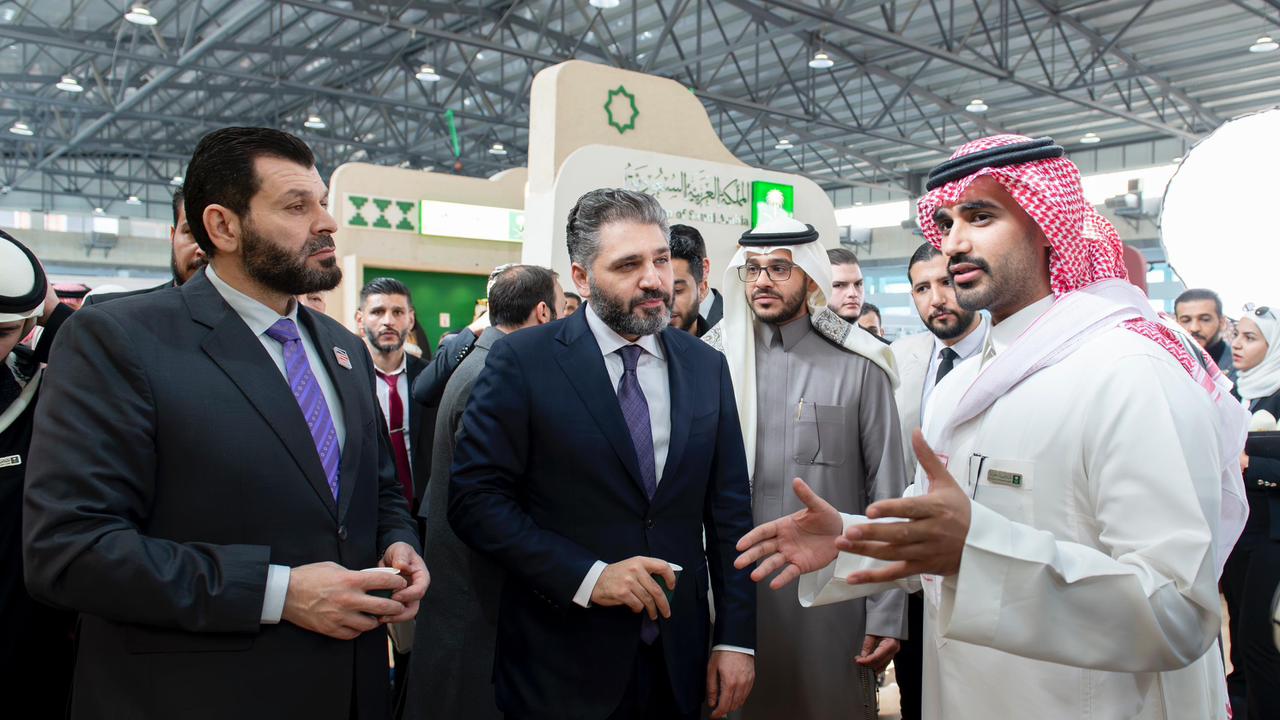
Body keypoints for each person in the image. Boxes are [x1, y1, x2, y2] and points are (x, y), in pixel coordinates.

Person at [735, 134, 1250, 720]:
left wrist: (973, 557)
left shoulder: (1129, 373)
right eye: (947, 222)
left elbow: (1178, 610)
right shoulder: (961, 386)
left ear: (1048, 225)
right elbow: (938, 530)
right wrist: (849, 539)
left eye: (980, 217)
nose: (953, 242)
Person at [23, 126, 427, 720]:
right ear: (223, 226)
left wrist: (398, 541)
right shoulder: (121, 340)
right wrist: (278, 593)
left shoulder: (342, 348)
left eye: (321, 202)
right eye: (296, 206)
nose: (327, 223)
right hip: (199, 692)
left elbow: (377, 487)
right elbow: (70, 550)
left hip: (349, 688)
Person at [449, 188, 756, 720]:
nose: (654, 279)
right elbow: (475, 501)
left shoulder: (705, 365)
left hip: (678, 660)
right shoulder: (524, 361)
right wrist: (589, 576)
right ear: (582, 277)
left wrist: (735, 639)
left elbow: (729, 513)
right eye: (628, 265)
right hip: (561, 659)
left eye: (661, 259)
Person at [703, 215, 906, 720]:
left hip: (831, 594)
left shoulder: (861, 364)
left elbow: (888, 492)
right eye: (752, 269)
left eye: (779, 269)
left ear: (811, 278)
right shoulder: (714, 365)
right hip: (733, 591)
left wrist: (886, 610)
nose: (762, 281)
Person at [405, 264, 562, 720]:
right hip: (473, 594)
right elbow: (494, 498)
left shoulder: (484, 358)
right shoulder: (493, 374)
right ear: (543, 313)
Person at [887, 241, 988, 720]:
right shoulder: (896, 359)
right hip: (913, 566)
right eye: (922, 289)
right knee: (917, 692)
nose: (936, 299)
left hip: (980, 556)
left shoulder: (1008, 355)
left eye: (945, 283)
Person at [0, 232, 76, 719]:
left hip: (24, 655)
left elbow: (109, 355)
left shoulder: (34, 388)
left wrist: (53, 311)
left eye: (3, 331)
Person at [1224, 304, 1280, 719]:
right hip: (1239, 531)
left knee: (1260, 640)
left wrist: (1249, 464)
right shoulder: (1236, 391)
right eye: (1237, 336)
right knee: (1241, 638)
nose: (1238, 345)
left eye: (1250, 338)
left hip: (1271, 535)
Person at [83, 190, 207, 307]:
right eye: (191, 232)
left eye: (215, 235)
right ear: (172, 235)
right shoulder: (106, 313)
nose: (203, 250)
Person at [1177, 288, 1235, 380]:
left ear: (1222, 322)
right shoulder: (1168, 363)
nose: (1194, 328)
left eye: (1205, 319)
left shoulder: (1243, 366)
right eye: (1186, 320)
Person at [668, 224, 712, 336]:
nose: (667, 302)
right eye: (657, 292)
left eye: (677, 290)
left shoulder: (721, 342)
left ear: (702, 289)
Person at [827, 247, 865, 323]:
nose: (853, 293)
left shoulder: (867, 332)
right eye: (838, 285)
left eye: (858, 284)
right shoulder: (801, 330)